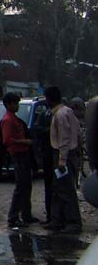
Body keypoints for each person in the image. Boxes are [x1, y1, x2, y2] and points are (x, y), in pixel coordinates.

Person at [45, 85, 83, 233]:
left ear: (49, 99)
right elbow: (78, 134)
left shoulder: (60, 115)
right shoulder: (67, 112)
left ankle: (73, 222)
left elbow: (65, 139)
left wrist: (62, 160)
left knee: (66, 190)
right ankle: (57, 220)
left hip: (63, 155)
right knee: (58, 189)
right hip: (68, 154)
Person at [0, 92, 38, 230]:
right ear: (8, 104)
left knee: (27, 186)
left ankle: (26, 215)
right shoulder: (8, 120)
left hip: (24, 155)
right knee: (21, 187)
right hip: (18, 155)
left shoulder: (14, 118)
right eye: (15, 103)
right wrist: (25, 142)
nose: (17, 106)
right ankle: (13, 217)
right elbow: (7, 140)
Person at [33, 98, 54, 224]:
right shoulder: (45, 115)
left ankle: (54, 217)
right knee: (51, 187)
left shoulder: (57, 115)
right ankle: (52, 216)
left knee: (54, 187)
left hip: (52, 155)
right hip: (48, 155)